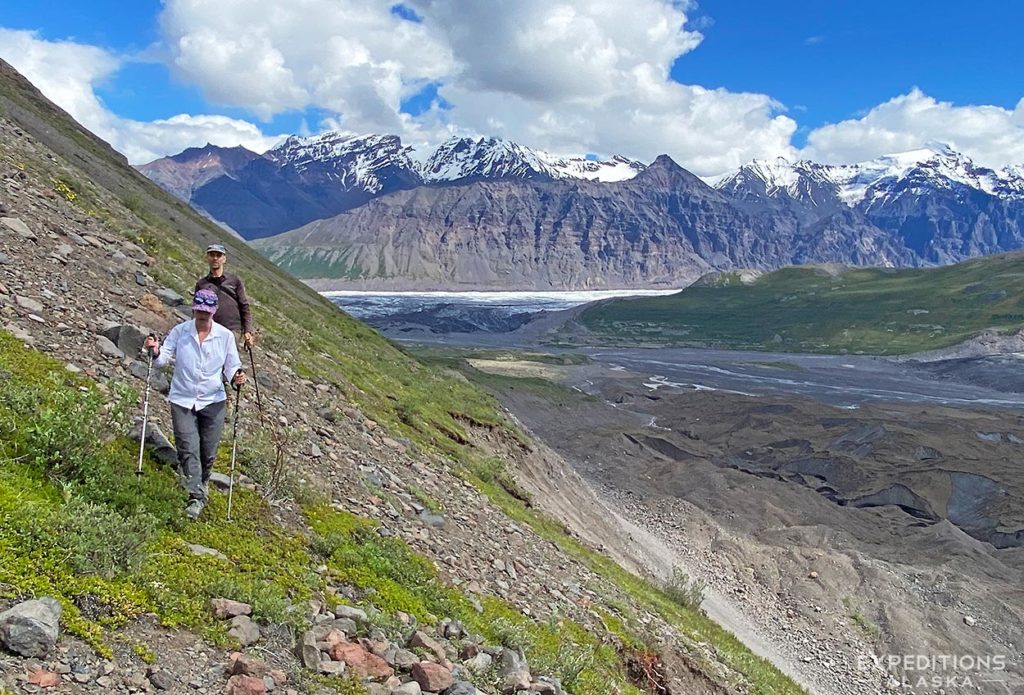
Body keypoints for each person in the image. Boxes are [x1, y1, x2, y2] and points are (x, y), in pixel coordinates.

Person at [143, 289, 247, 519]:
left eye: (207, 311)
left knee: (208, 452)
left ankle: (201, 482)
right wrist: (155, 350)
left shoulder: (224, 336)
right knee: (188, 448)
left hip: (213, 401)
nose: (202, 315)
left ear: (214, 311)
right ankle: (196, 498)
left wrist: (236, 377)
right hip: (182, 398)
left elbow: (231, 365)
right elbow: (162, 360)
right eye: (199, 310)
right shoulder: (180, 332)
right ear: (193, 308)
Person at [195, 244, 255, 350]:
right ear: (207, 258)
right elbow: (196, 309)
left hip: (232, 330)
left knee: (229, 362)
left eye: (218, 255)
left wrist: (247, 331)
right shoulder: (202, 284)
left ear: (224, 259)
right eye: (212, 255)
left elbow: (244, 306)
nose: (215, 258)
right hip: (210, 329)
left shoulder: (234, 280)